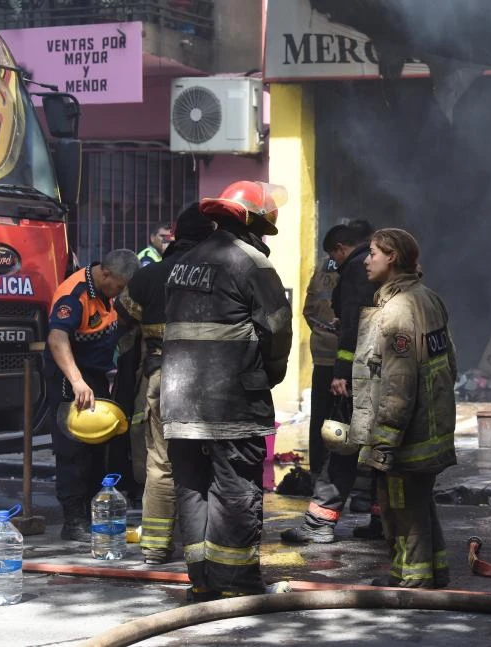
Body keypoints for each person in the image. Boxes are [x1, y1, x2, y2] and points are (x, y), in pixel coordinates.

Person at [161, 181, 293, 600]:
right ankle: (237, 585)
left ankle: (202, 581)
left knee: (193, 489)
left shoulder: (184, 262)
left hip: (179, 402)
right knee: (235, 489)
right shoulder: (252, 263)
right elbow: (277, 331)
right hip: (231, 401)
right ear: (257, 221)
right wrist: (267, 376)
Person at [356, 228, 458, 588]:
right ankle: (434, 570)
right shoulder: (429, 298)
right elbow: (450, 364)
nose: (366, 260)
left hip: (406, 433)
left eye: (372, 253)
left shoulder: (398, 310)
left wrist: (384, 439)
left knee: (401, 506)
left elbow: (398, 382)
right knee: (418, 502)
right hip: (430, 425)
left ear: (392, 257)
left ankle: (413, 584)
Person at [115, 203, 215, 565]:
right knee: (210, 462)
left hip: (162, 377)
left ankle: (156, 547)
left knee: (160, 463)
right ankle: (204, 548)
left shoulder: (148, 275)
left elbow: (124, 316)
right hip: (213, 382)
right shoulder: (221, 273)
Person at [280, 220, 382, 544]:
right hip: (383, 375)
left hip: (353, 371)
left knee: (341, 444)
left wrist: (341, 369)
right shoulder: (407, 287)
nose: (368, 260)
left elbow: (354, 323)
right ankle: (383, 520)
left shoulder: (353, 268)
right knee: (382, 450)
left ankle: (319, 523)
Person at [44, 249, 141, 541]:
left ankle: (90, 515)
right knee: (74, 449)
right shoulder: (74, 293)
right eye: (120, 287)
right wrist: (76, 381)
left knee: (98, 445)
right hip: (70, 377)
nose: (120, 293)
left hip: (95, 376)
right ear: (106, 274)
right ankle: (73, 521)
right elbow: (57, 337)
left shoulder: (106, 292)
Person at [302, 243, 340, 479]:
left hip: (322, 351)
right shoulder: (356, 269)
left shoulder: (321, 269)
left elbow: (308, 310)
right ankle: (339, 466)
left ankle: (317, 465)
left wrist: (322, 333)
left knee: (320, 412)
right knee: (342, 414)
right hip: (346, 353)